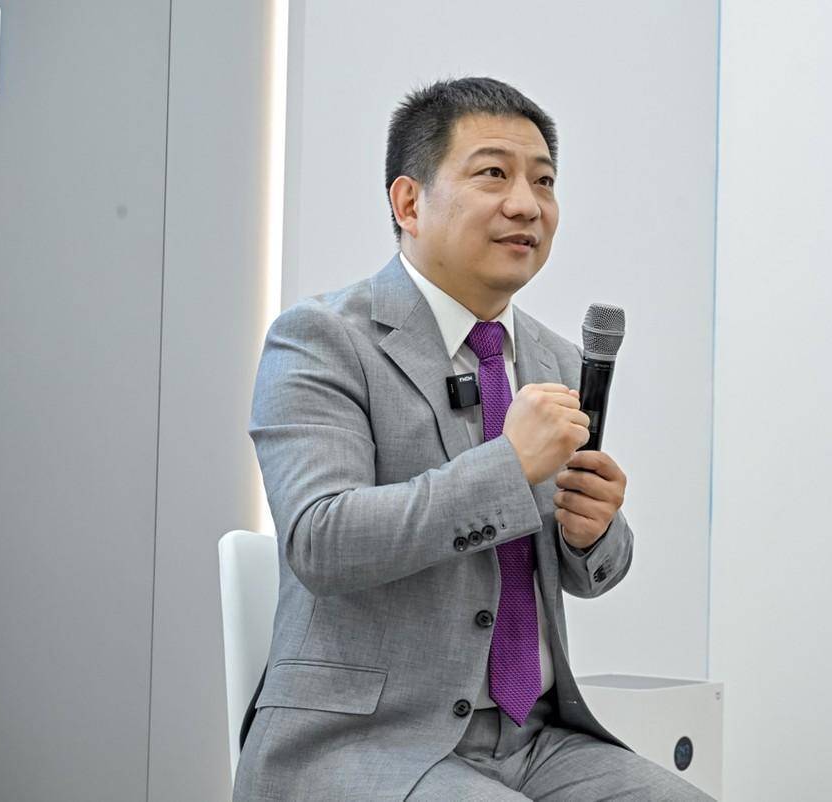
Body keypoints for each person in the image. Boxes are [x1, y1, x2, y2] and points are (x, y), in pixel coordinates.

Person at [233, 77, 713, 801]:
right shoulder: (322, 338)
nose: (527, 204)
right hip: (361, 742)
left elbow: (588, 572)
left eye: (544, 181)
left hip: (536, 741)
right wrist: (509, 466)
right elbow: (321, 541)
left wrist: (593, 533)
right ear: (409, 203)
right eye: (493, 173)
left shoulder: (555, 359)